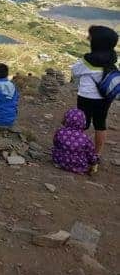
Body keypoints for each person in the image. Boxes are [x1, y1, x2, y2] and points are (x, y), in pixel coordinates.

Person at [71, 25, 118, 154]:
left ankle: (76, 148)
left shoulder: (88, 60)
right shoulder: (112, 58)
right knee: (100, 124)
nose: (88, 39)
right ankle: (96, 154)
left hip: (86, 96)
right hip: (105, 96)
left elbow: (74, 71)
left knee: (82, 123)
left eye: (91, 38)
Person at [52, 108, 99, 174]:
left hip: (59, 160)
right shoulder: (85, 138)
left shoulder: (60, 132)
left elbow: (55, 143)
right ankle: (88, 169)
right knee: (90, 158)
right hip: (78, 164)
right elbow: (90, 153)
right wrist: (94, 161)